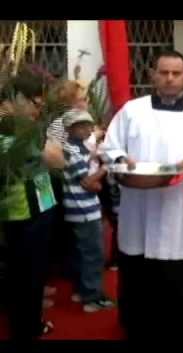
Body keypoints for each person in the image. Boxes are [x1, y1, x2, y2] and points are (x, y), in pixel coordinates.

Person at [101, 50, 183, 339]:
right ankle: (139, 328)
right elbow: (110, 147)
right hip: (139, 208)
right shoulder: (132, 111)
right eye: (163, 72)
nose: (169, 79)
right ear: (152, 75)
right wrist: (122, 160)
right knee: (138, 277)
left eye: (176, 73)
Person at [0, 69, 63, 340]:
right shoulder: (12, 128)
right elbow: (56, 159)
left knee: (30, 274)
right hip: (21, 213)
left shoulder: (24, 126)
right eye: (36, 104)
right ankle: (26, 328)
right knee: (25, 276)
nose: (39, 110)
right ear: (17, 100)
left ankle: (30, 319)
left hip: (40, 203)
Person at [62, 109, 115, 312]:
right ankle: (92, 297)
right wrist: (106, 168)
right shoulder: (72, 150)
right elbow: (88, 183)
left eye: (88, 125)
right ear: (70, 128)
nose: (87, 129)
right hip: (82, 209)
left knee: (81, 252)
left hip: (83, 207)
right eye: (82, 125)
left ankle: (81, 290)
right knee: (93, 253)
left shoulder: (79, 148)